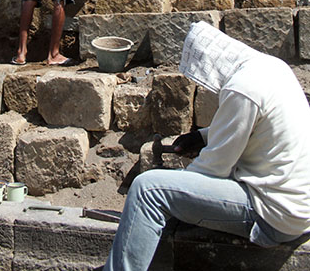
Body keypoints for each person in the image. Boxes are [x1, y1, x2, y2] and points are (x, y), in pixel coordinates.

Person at [104, 21, 310, 271]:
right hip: (297, 206)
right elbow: (256, 126)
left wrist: (177, 185)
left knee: (147, 190)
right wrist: (202, 137)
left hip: (272, 213)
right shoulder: (272, 68)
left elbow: (214, 169)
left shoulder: (242, 88)